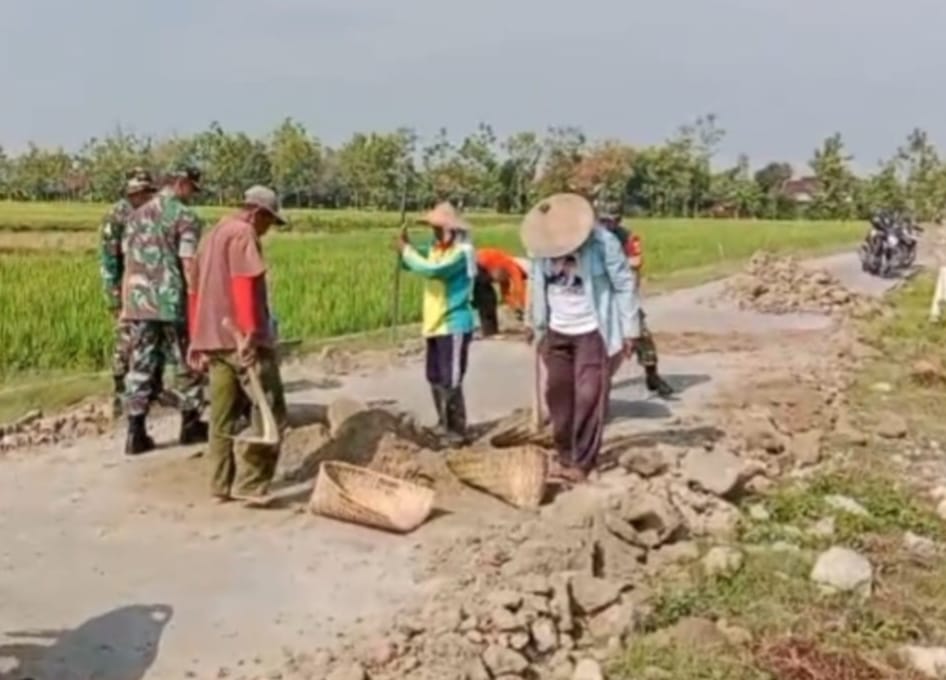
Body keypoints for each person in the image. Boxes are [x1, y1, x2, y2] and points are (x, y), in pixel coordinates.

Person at [523, 193, 640, 483]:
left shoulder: (603, 244)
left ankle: (583, 462)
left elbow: (624, 285)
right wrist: (533, 323)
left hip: (593, 330)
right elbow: (536, 285)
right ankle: (564, 455)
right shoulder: (543, 247)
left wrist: (629, 330)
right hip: (556, 330)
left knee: (589, 395)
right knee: (558, 394)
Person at [188, 185, 289, 505]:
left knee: (222, 415)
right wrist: (247, 333)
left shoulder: (212, 234)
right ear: (258, 213)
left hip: (213, 340)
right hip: (242, 342)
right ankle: (252, 482)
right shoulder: (243, 234)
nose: (267, 229)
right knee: (271, 408)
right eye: (269, 222)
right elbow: (243, 283)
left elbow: (193, 291)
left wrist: (195, 338)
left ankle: (219, 485)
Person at [120, 165, 207, 454]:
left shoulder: (134, 216)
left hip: (137, 300)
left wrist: (124, 303)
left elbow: (128, 261)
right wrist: (197, 301)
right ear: (181, 184)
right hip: (170, 301)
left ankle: (135, 432)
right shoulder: (185, 217)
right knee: (186, 362)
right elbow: (188, 262)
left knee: (140, 364)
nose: (193, 196)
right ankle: (191, 423)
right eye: (192, 189)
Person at [395, 202, 476, 446]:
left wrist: (406, 251)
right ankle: (443, 423)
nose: (435, 233)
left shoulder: (461, 253)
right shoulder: (435, 248)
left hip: (453, 323)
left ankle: (456, 431)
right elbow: (414, 262)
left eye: (439, 229)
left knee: (451, 378)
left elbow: (433, 271)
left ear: (451, 230)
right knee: (434, 375)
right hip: (434, 323)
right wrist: (405, 250)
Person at [100, 168, 164, 418]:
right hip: (127, 286)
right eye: (141, 191)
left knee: (152, 341)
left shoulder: (154, 213)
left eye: (148, 191)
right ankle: (120, 393)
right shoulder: (117, 215)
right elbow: (109, 259)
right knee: (126, 341)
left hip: (152, 285)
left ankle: (152, 390)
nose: (145, 195)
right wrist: (114, 296)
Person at [597, 199, 674, 398]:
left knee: (642, 335)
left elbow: (634, 267)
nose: (609, 225)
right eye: (604, 220)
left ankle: (652, 375)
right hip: (596, 294)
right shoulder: (591, 238)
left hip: (621, 292)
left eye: (614, 220)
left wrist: (629, 298)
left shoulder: (628, 238)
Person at [472, 248, 528, 337]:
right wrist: (524, 308)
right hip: (478, 264)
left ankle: (487, 330)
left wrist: (516, 309)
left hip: (479, 264)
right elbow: (519, 288)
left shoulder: (505, 277)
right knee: (487, 298)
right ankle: (490, 332)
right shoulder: (513, 267)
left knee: (481, 297)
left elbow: (505, 295)